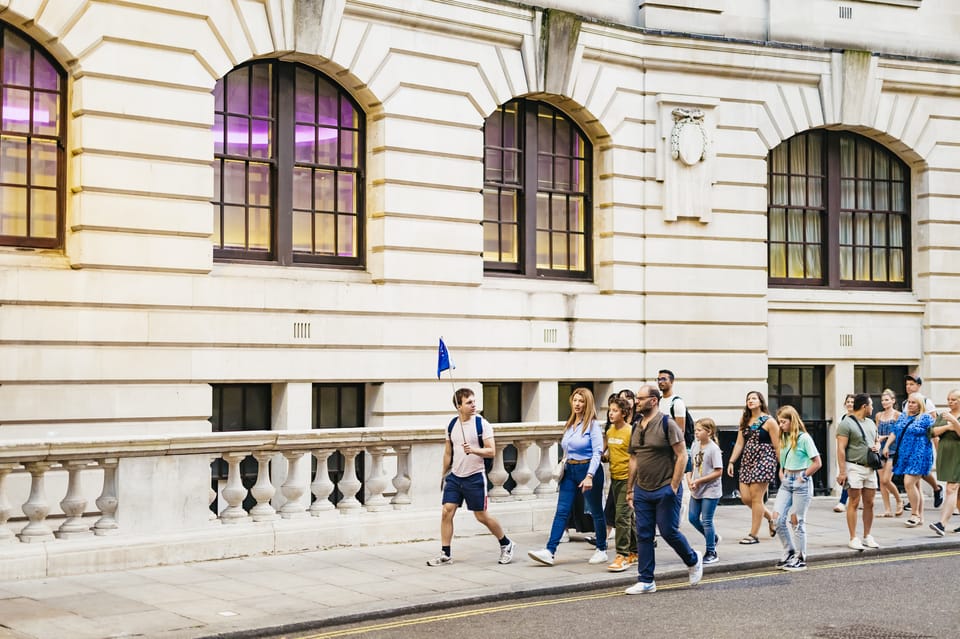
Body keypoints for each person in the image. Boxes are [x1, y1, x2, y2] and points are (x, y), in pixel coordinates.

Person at [623, 384, 702, 594]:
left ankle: (693, 560)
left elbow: (682, 455)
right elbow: (633, 458)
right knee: (644, 534)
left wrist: (674, 486)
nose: (636, 402)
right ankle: (646, 580)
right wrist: (630, 489)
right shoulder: (637, 425)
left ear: (653, 401)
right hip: (642, 489)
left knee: (668, 531)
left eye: (640, 398)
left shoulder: (668, 424)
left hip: (665, 488)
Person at [427, 388, 514, 566]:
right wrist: (443, 474)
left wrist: (473, 450)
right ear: (459, 406)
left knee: (481, 516)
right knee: (446, 511)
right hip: (455, 477)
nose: (474, 405)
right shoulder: (451, 425)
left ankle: (506, 543)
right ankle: (445, 554)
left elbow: (491, 451)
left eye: (474, 401)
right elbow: (448, 452)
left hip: (475, 477)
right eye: (469, 402)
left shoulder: (482, 425)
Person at [528, 388, 608, 566]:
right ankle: (549, 551)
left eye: (581, 401)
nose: (577, 404)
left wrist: (589, 476)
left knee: (596, 511)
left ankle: (601, 549)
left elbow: (597, 452)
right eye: (575, 400)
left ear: (587, 404)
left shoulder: (593, 425)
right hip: (570, 471)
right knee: (562, 511)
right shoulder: (571, 424)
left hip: (588, 469)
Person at [772, 405, 822, 571]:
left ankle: (801, 557)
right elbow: (783, 457)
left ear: (792, 421)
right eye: (779, 422)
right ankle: (789, 551)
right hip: (786, 481)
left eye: (783, 421)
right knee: (777, 518)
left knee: (796, 520)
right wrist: (781, 471)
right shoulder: (784, 437)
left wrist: (803, 476)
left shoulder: (804, 438)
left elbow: (817, 462)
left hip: (801, 482)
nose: (780, 425)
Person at [726, 391, 779, 545]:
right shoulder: (745, 419)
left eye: (754, 398)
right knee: (746, 498)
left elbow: (777, 446)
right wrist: (731, 461)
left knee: (757, 498)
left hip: (764, 459)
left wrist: (781, 467)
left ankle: (753, 535)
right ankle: (772, 518)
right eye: (748, 399)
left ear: (761, 401)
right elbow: (739, 443)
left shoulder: (770, 421)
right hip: (747, 460)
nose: (750, 401)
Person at [836, 393, 882, 551]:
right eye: (871, 405)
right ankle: (853, 537)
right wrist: (842, 472)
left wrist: (878, 446)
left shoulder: (871, 423)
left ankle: (868, 536)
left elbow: (876, 440)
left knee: (870, 503)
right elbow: (841, 449)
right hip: (854, 466)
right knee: (854, 502)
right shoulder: (846, 423)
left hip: (870, 467)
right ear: (864, 406)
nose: (872, 408)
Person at [892, 392, 936, 527]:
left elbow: (935, 435)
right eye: (909, 402)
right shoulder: (903, 417)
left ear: (920, 405)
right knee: (916, 486)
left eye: (914, 402)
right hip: (905, 455)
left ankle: (915, 514)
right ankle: (920, 516)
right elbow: (895, 432)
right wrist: (887, 445)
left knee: (909, 483)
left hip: (920, 455)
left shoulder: (926, 418)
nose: (910, 405)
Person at [604, 396, 638, 571]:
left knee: (621, 516)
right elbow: (610, 452)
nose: (611, 413)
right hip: (615, 478)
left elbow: (635, 457)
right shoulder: (610, 431)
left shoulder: (631, 431)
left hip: (628, 479)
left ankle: (622, 555)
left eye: (615, 410)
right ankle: (635, 551)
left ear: (624, 413)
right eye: (610, 410)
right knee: (629, 517)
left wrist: (632, 485)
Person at [904, 375, 945, 509]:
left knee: (918, 471)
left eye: (911, 384)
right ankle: (916, 499)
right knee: (916, 473)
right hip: (910, 444)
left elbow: (933, 427)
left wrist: (938, 449)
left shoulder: (926, 402)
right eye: (907, 384)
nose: (908, 387)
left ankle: (936, 488)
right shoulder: (906, 403)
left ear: (918, 386)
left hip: (922, 445)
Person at [687, 418, 723, 565]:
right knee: (692, 518)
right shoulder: (695, 445)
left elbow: (718, 471)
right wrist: (689, 480)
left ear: (709, 432)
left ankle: (711, 551)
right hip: (697, 488)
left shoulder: (713, 449)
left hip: (710, 489)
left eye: (699, 430)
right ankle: (713, 538)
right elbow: (691, 465)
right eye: (695, 430)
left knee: (707, 520)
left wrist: (699, 481)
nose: (696, 433)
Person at [928, 390, 960, 535]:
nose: (950, 402)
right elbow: (932, 432)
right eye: (948, 399)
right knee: (957, 493)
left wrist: (955, 423)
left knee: (951, 488)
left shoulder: (952, 417)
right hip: (946, 455)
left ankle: (942, 524)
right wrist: (948, 427)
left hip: (958, 455)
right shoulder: (943, 415)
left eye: (953, 399)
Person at [875, 388, 904, 517]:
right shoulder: (878, 415)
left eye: (887, 400)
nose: (884, 402)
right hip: (880, 449)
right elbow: (876, 431)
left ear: (893, 401)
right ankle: (887, 509)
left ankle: (899, 500)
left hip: (892, 449)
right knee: (881, 481)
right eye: (882, 400)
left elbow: (899, 433)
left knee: (887, 479)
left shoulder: (898, 415)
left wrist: (885, 438)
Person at [833, 394, 856, 513]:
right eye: (848, 402)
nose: (850, 404)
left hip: (856, 451)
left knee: (852, 477)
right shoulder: (841, 418)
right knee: (845, 476)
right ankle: (844, 501)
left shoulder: (859, 418)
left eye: (852, 402)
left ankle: (843, 501)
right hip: (844, 450)